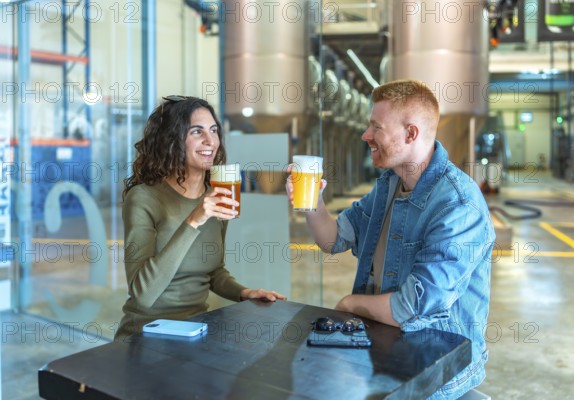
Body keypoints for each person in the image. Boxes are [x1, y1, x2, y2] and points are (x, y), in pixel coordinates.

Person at [287, 80, 495, 399]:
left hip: (436, 370)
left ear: (410, 134)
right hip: (383, 348)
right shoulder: (388, 184)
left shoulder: (457, 205)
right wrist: (312, 201)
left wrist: (349, 305)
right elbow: (334, 239)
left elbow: (413, 306)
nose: (365, 135)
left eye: (375, 127)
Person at [115, 96, 286, 341]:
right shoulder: (143, 197)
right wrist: (194, 219)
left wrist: (245, 292)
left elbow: (213, 272)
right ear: (171, 139)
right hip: (146, 334)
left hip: (195, 331)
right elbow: (142, 292)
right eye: (197, 131)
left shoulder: (217, 195)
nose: (210, 141)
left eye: (214, 130)